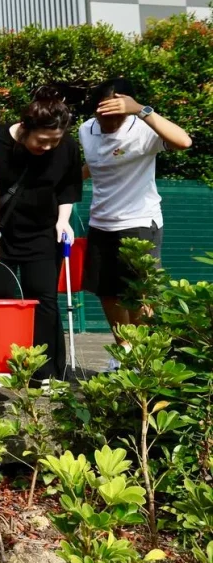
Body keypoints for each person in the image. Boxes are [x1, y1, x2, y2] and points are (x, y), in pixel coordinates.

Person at [80, 78, 192, 371]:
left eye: (116, 114)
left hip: (140, 221)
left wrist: (142, 110)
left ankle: (145, 355)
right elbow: (97, 164)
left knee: (141, 291)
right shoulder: (85, 131)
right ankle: (123, 352)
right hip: (100, 221)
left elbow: (184, 141)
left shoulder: (144, 128)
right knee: (107, 291)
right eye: (102, 113)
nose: (108, 121)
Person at [0, 87, 82, 389]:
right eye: (42, 140)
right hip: (0, 233)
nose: (48, 147)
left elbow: (68, 187)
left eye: (55, 141)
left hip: (43, 233)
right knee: (1, 300)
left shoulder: (67, 147)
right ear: (24, 128)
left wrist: (64, 221)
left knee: (44, 299)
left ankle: (45, 372)